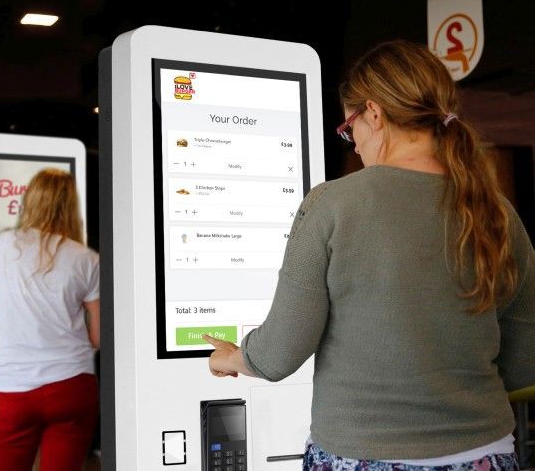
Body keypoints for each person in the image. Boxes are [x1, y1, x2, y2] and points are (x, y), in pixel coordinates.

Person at [204, 40, 535, 470]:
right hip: (484, 453)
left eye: (350, 129)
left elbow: (279, 353)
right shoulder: (495, 209)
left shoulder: (332, 204)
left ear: (374, 113)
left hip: (364, 455)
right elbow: (526, 350)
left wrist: (232, 356)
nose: (355, 145)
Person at [0, 168, 100, 471]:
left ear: (31, 201)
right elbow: (100, 336)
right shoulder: (86, 259)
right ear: (71, 205)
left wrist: (3, 367)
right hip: (72, 385)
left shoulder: (7, 245)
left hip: (14, 389)